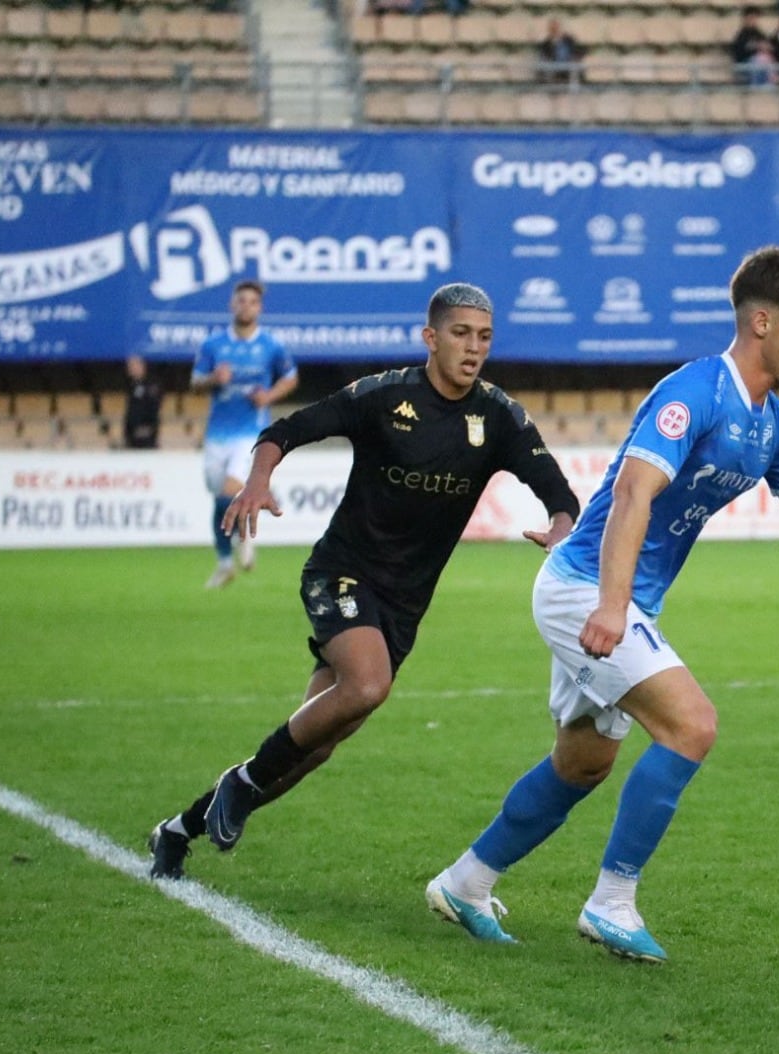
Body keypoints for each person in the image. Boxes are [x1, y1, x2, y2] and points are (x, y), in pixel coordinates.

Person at [424, 247, 779, 963]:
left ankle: (465, 883)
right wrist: (613, 606)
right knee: (692, 726)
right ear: (763, 321)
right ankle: (612, 903)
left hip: (620, 599)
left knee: (582, 764)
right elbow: (631, 492)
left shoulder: (772, 423)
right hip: (585, 590)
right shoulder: (694, 393)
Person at [147, 282, 581, 881]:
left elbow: (560, 494)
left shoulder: (497, 416)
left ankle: (177, 830)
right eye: (460, 333)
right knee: (368, 685)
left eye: (483, 336)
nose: (473, 347)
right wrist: (256, 480)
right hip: (342, 572)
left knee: (311, 748)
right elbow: (287, 429)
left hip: (404, 604)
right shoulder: (385, 396)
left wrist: (560, 528)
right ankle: (241, 784)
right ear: (430, 338)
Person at [191, 280, 298, 589]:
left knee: (228, 491)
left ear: (259, 308)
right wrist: (214, 378)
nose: (246, 306)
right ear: (232, 304)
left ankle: (243, 540)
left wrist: (268, 396)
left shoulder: (271, 345)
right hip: (217, 434)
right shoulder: (213, 345)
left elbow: (290, 377)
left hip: (250, 433)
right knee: (219, 500)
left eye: (252, 302)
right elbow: (195, 383)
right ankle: (225, 564)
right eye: (241, 301)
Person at [122, 355, 163, 450]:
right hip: (132, 437)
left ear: (142, 366)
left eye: (133, 366)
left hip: (146, 436)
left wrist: (149, 428)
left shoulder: (152, 385)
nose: (131, 369)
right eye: (129, 367)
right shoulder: (131, 386)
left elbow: (154, 409)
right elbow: (131, 411)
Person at [729, 6, 773, 86]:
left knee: (765, 59)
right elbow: (739, 53)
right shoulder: (742, 34)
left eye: (755, 18)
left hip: (760, 63)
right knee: (758, 60)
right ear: (745, 19)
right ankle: (755, 87)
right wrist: (756, 47)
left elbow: (768, 45)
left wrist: (765, 47)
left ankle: (767, 86)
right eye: (751, 18)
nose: (753, 20)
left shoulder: (759, 33)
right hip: (745, 64)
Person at [535, 17, 586, 84]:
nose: (555, 29)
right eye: (552, 28)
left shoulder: (568, 40)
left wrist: (575, 57)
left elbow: (578, 51)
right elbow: (544, 55)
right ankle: (551, 85)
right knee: (544, 62)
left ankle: (574, 86)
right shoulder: (546, 43)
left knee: (575, 64)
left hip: (569, 64)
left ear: (560, 28)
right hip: (554, 66)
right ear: (549, 30)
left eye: (556, 27)